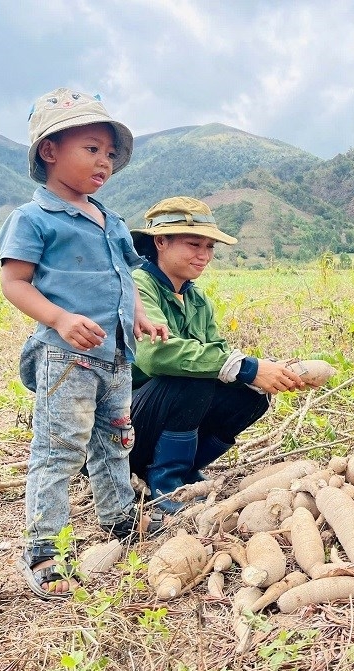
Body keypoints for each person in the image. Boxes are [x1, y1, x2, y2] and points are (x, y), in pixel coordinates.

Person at [0, 87, 169, 599]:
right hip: (67, 357)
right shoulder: (34, 219)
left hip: (115, 356)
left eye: (110, 153)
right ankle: (44, 549)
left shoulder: (109, 219)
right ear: (49, 151)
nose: (104, 162)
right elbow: (14, 283)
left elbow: (123, 278)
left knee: (115, 439)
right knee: (59, 450)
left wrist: (140, 317)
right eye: (91, 149)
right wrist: (60, 318)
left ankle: (120, 518)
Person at [128, 196, 308, 514]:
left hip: (157, 425)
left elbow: (219, 353)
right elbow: (155, 356)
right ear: (161, 241)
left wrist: (265, 371)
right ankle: (167, 484)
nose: (204, 255)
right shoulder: (136, 286)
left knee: (251, 394)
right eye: (194, 244)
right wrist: (247, 367)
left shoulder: (196, 299)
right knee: (191, 376)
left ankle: (184, 471)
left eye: (209, 247)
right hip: (124, 430)